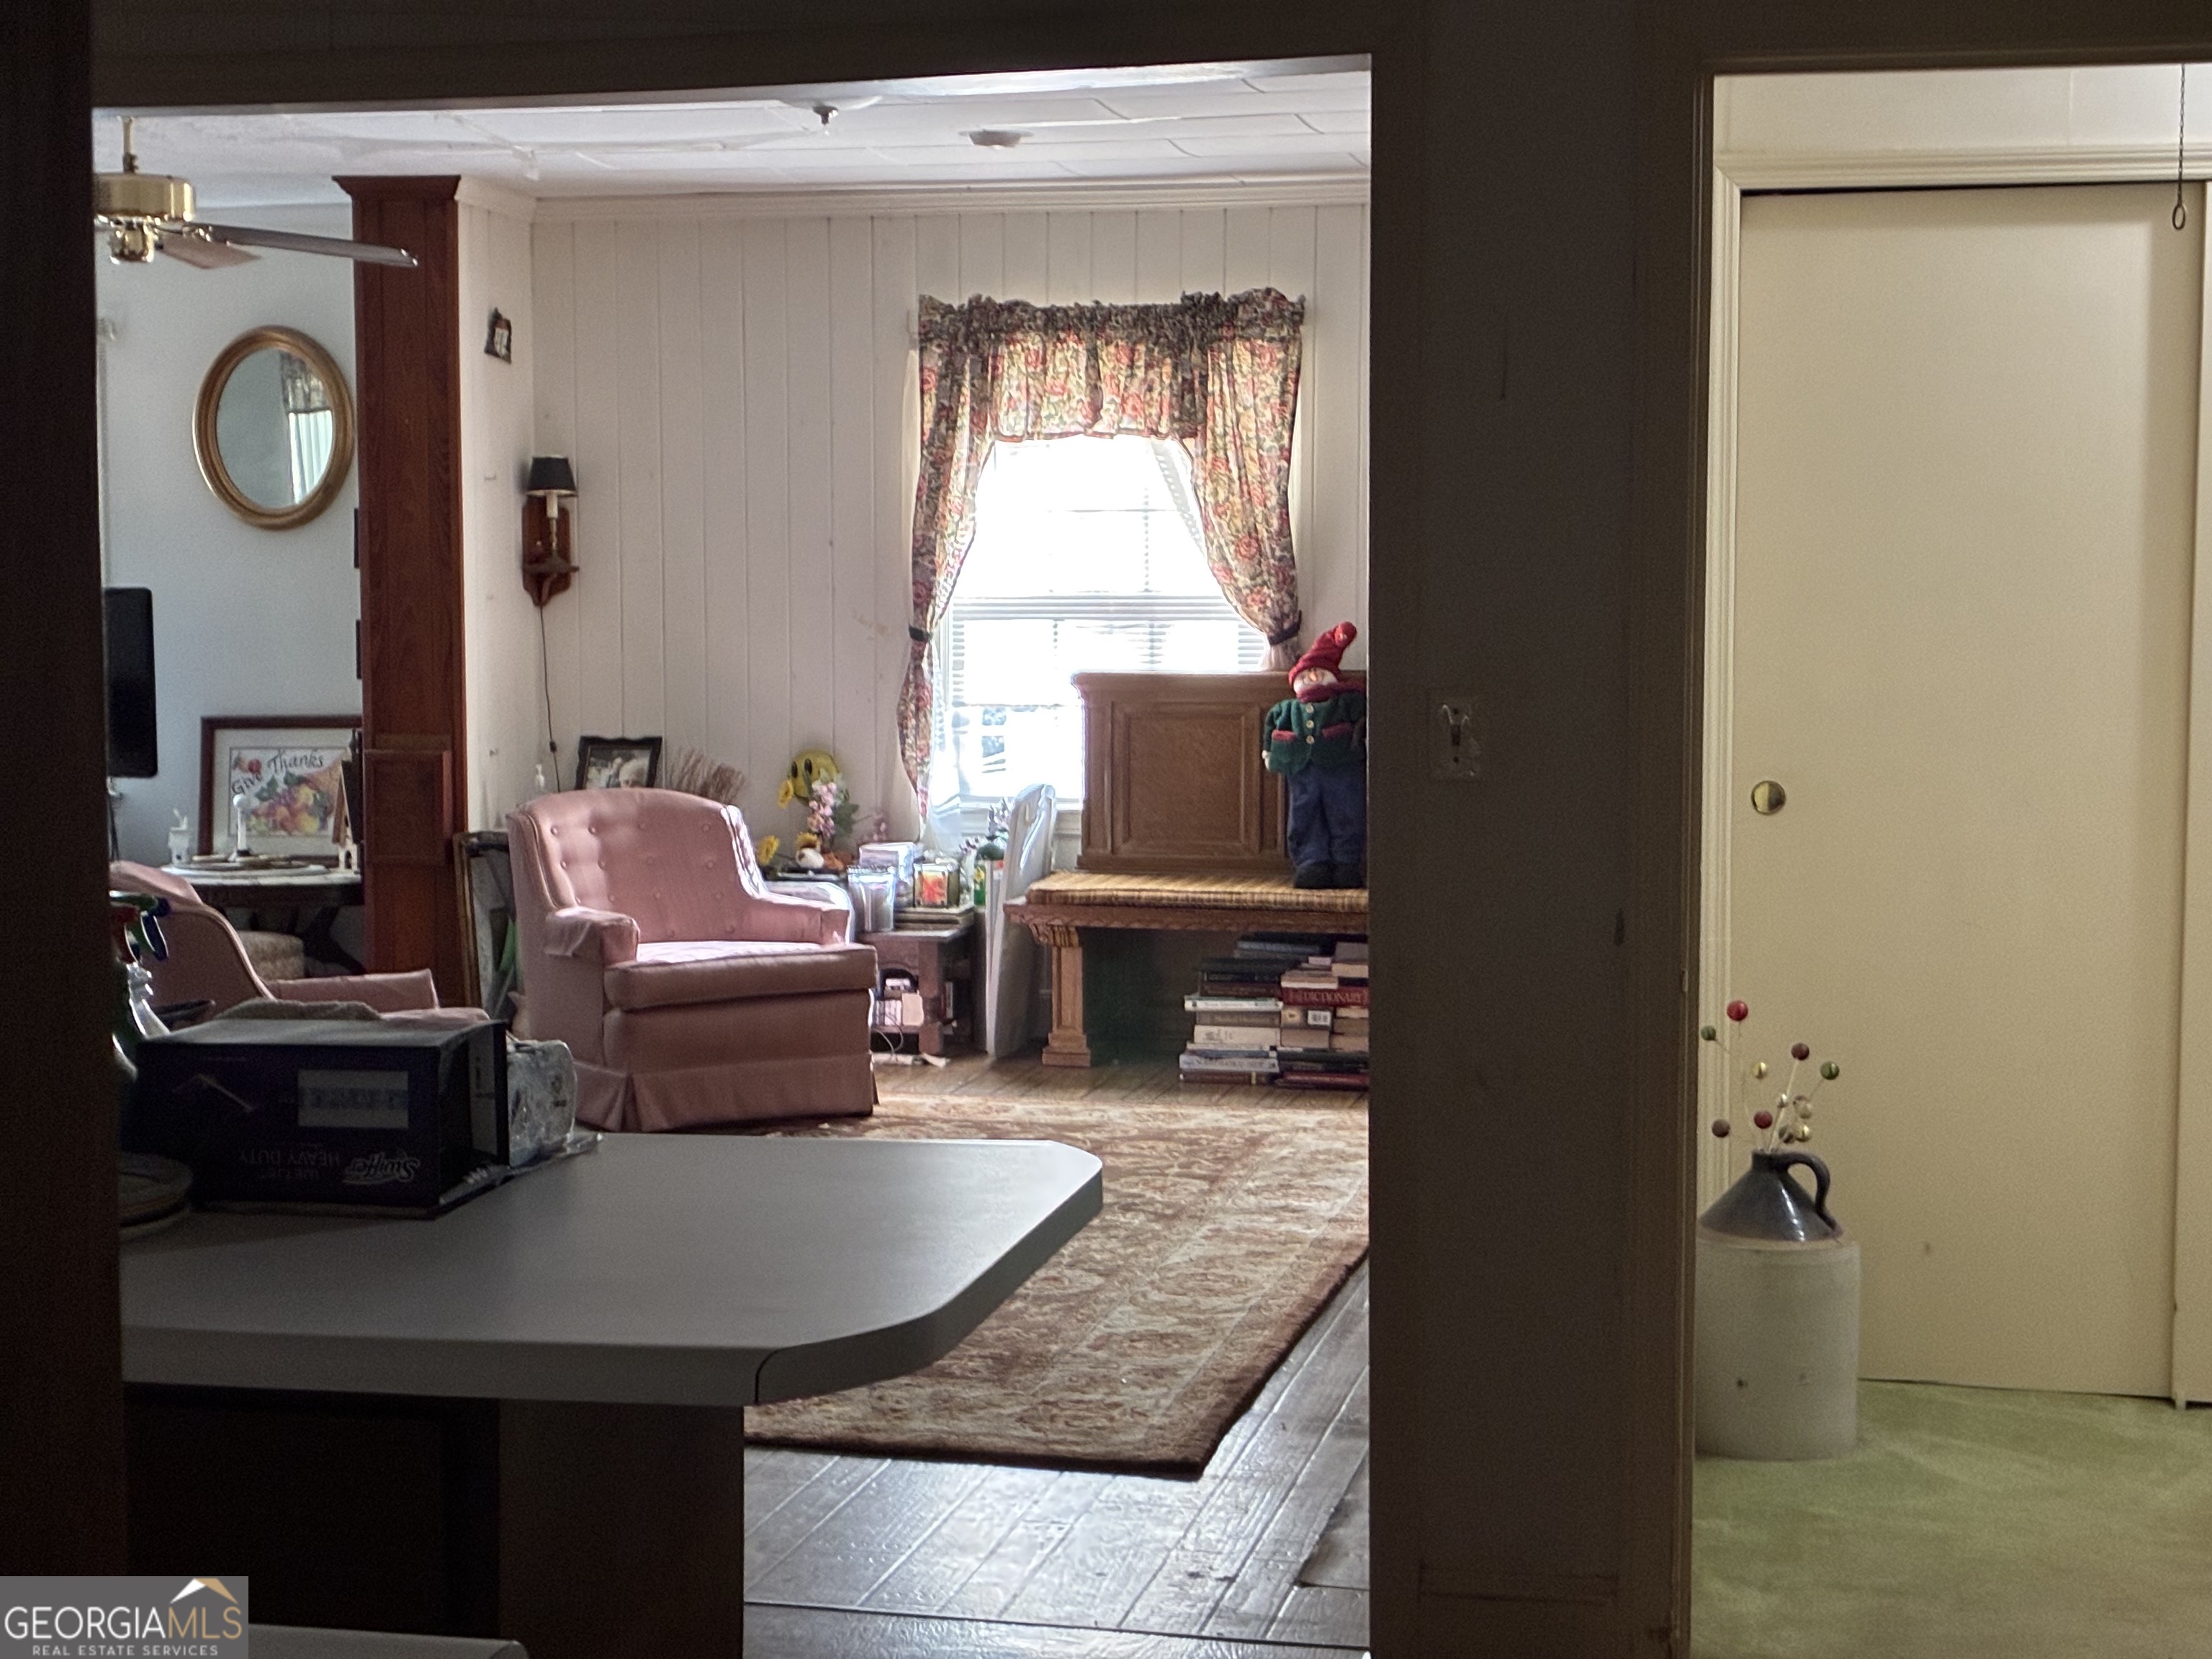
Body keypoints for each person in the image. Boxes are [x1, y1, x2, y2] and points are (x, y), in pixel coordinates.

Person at [1263, 621, 1366, 889]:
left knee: (1347, 811)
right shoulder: (1286, 708)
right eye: (1307, 673)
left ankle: (1346, 863)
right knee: (1304, 813)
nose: (1312, 678)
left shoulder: (1346, 701)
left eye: (1319, 672)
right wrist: (1269, 750)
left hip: (1342, 765)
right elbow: (1271, 725)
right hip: (1302, 769)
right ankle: (1311, 863)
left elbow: (1363, 714)